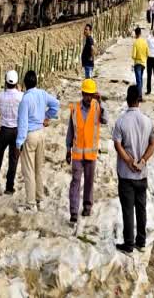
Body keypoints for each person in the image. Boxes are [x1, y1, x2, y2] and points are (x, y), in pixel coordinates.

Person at [113, 84, 154, 253]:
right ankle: (141, 240)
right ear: (139, 99)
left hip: (126, 174)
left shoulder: (121, 121)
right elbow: (153, 143)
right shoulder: (147, 121)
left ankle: (129, 243)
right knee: (141, 207)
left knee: (127, 209)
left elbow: (117, 145)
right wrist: (143, 160)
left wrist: (128, 161)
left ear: (127, 99)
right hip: (142, 174)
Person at [15, 70, 60, 211]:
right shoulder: (42, 94)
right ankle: (39, 197)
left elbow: (22, 124)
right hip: (41, 133)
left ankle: (31, 203)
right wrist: (47, 116)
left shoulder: (25, 100)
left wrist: (18, 143)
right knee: (38, 169)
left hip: (30, 136)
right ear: (36, 82)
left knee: (28, 170)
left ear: (24, 84)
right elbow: (56, 104)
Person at [64, 78, 107, 224]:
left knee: (89, 181)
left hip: (91, 154)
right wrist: (68, 149)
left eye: (91, 94)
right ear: (82, 93)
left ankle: (87, 206)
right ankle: (74, 212)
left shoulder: (97, 107)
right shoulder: (75, 108)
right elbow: (70, 130)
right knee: (75, 181)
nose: (89, 97)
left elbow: (105, 120)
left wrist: (101, 102)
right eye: (87, 94)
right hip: (77, 153)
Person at [0, 70, 23, 193]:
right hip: (16, 130)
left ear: (5, 81)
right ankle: (9, 186)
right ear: (17, 82)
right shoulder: (21, 96)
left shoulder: (0, 96)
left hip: (4, 130)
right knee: (13, 159)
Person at [130, 26, 148, 93]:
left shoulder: (135, 43)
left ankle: (139, 95)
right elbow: (147, 53)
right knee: (140, 79)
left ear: (135, 33)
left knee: (138, 80)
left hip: (137, 63)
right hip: (143, 63)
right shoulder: (144, 42)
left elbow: (133, 56)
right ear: (140, 33)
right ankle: (140, 93)